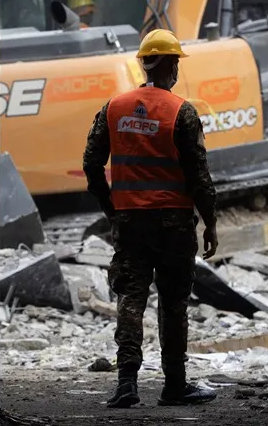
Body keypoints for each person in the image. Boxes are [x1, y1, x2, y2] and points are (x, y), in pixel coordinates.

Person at [82, 29, 219, 409]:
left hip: (130, 222)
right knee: (173, 303)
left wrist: (112, 208)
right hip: (174, 223)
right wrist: (210, 221)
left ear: (144, 63)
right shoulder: (182, 111)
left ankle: (126, 384)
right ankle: (175, 384)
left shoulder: (114, 107)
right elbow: (199, 176)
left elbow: (91, 164)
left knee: (130, 298)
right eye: (176, 61)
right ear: (171, 64)